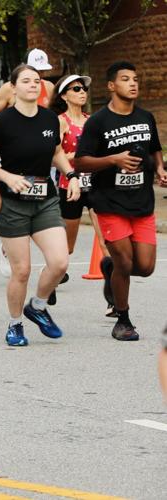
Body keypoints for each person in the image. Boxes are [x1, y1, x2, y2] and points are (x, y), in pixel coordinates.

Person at [75, 61, 167, 341]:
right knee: (125, 263)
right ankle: (123, 319)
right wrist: (113, 159)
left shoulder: (146, 117)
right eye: (126, 79)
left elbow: (154, 148)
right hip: (109, 202)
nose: (133, 83)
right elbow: (81, 162)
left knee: (146, 268)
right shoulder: (98, 122)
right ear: (112, 86)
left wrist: (160, 168)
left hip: (142, 203)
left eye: (135, 79)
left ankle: (109, 269)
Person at [0, 64, 79, 346]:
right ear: (13, 87)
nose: (32, 85)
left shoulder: (49, 119)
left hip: (45, 200)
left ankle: (38, 307)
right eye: (26, 81)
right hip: (11, 204)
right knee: (22, 270)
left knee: (60, 262)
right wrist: (7, 177)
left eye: (36, 81)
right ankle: (15, 324)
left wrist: (71, 176)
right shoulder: (1, 122)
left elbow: (57, 152)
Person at [51, 74, 111, 307]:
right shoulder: (60, 121)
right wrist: (80, 156)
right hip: (70, 187)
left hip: (95, 187)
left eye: (84, 88)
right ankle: (50, 280)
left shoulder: (91, 121)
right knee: (67, 247)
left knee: (107, 242)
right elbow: (54, 156)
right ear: (64, 96)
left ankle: (114, 301)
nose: (82, 92)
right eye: (76, 89)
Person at [0, 48, 57, 118]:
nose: (40, 74)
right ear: (24, 66)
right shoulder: (9, 88)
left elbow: (56, 113)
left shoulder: (49, 86)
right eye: (35, 70)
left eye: (43, 70)